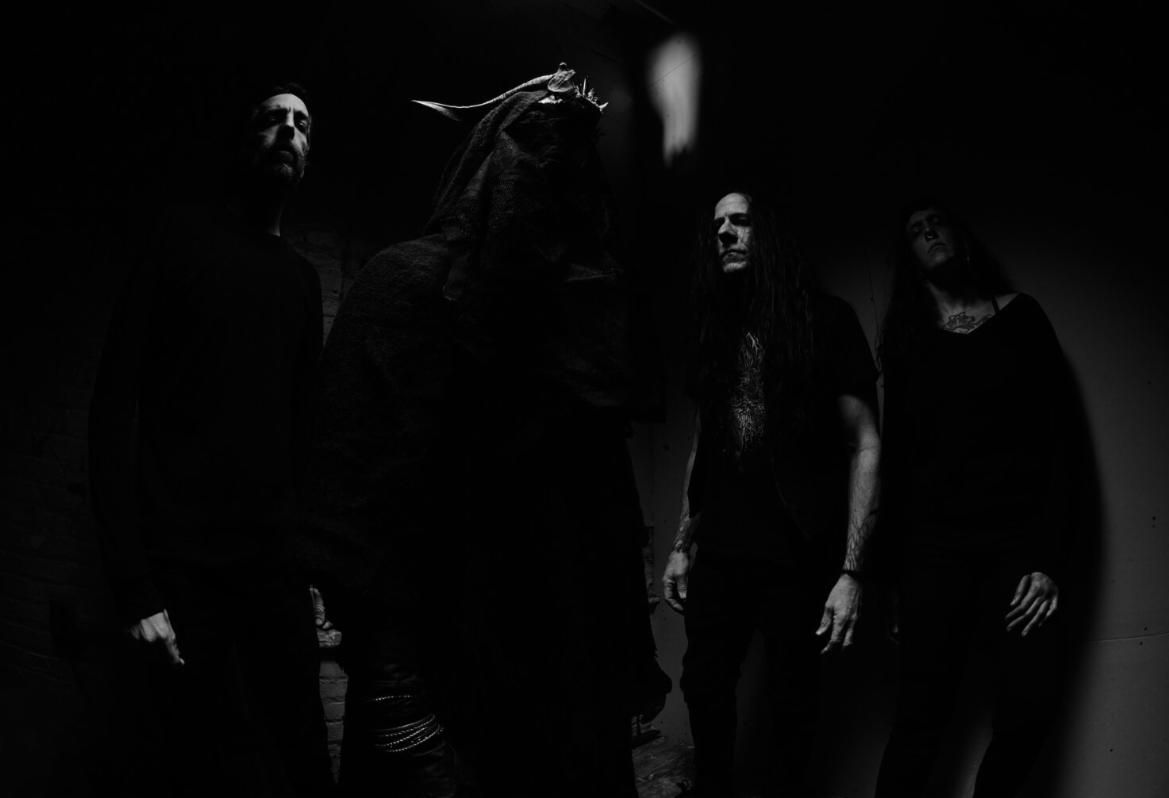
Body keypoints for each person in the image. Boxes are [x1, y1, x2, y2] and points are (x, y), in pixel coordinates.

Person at [300, 65, 668, 798]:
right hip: (449, 696)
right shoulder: (406, 285)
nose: (556, 177)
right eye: (537, 150)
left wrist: (627, 658)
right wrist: (398, 705)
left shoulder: (582, 317)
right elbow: (351, 512)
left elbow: (604, 508)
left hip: (569, 694)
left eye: (575, 160)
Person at [88, 82, 333, 797]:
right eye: (273, 119)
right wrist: (134, 588)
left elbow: (304, 432)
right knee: (197, 767)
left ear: (308, 157)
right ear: (245, 139)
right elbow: (113, 411)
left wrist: (312, 563)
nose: (289, 130)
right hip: (184, 573)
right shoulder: (178, 243)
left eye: (303, 124)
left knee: (304, 760)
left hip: (275, 571)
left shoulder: (301, 281)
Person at [662, 190, 882, 797]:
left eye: (741, 221)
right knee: (703, 684)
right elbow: (702, 446)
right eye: (718, 225)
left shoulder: (826, 320)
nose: (725, 233)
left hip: (797, 549)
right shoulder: (714, 330)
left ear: (771, 236)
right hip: (722, 546)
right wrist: (681, 544)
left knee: (793, 701)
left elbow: (865, 444)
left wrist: (851, 572)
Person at [873, 200, 1074, 798]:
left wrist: (1048, 559)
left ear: (961, 237)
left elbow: (1061, 440)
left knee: (1030, 709)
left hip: (1017, 548)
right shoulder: (906, 339)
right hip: (933, 553)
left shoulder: (1022, 316)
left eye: (936, 222)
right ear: (910, 257)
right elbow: (897, 462)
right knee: (919, 722)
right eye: (915, 230)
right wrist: (896, 581)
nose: (928, 232)